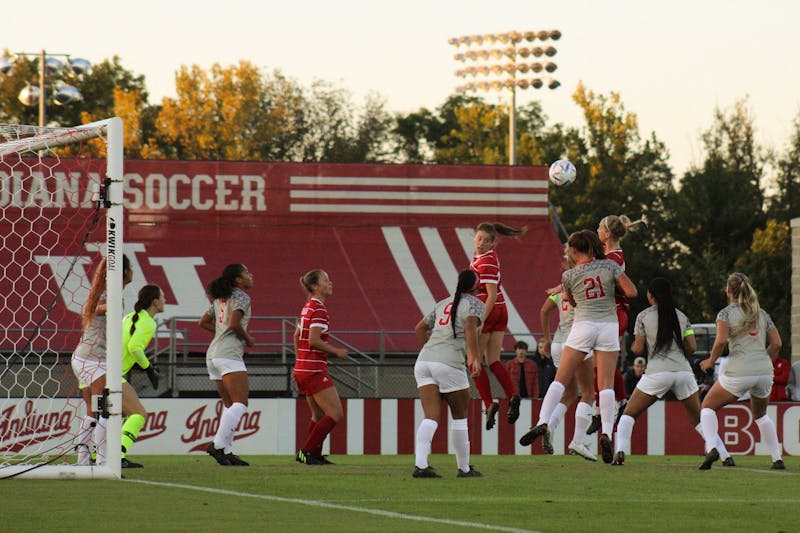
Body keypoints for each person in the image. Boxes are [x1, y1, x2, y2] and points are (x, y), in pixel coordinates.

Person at [519, 230, 637, 464]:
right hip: (607, 326)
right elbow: (632, 292)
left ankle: (543, 421)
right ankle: (605, 433)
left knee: (560, 380)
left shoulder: (569, 275)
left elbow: (571, 301)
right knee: (605, 385)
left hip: (582, 326)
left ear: (573, 251)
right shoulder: (610, 267)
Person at [612, 278, 733, 466]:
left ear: (651, 295)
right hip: (683, 372)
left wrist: (633, 343)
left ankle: (619, 451)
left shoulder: (643, 316)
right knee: (698, 419)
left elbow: (637, 349)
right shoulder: (681, 316)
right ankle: (724, 454)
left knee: (628, 414)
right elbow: (692, 347)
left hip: (657, 373)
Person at [699, 273, 785, 470]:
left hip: (739, 370)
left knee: (708, 407)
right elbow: (777, 344)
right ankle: (777, 458)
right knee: (761, 415)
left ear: (729, 291)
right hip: (764, 371)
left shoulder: (725, 314)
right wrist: (763, 361)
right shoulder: (761, 313)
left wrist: (710, 361)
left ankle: (712, 447)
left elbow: (720, 341)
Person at [412, 269, 484, 478]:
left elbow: (419, 328)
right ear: (474, 286)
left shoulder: (443, 302)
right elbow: (470, 326)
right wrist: (474, 357)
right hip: (450, 363)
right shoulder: (474, 303)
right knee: (460, 417)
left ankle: (421, 465)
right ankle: (464, 468)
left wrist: (430, 351)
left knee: (431, 417)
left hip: (424, 361)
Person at [71, 255, 134, 465]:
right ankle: (103, 461)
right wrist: (106, 307)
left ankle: (83, 460)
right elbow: (91, 310)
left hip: (91, 358)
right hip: (92, 359)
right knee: (108, 407)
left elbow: (90, 310)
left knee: (96, 409)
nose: (132, 270)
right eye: (131, 267)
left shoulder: (106, 293)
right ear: (124, 272)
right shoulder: (110, 294)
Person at [469, 221, 527, 430]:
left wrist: (481, 319)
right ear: (474, 237)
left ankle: (489, 404)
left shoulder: (486, 262)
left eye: (486, 240)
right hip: (501, 310)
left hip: (489, 309)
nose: (481, 243)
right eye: (479, 238)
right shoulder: (484, 257)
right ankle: (512, 396)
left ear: (493, 243)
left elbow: (491, 294)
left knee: (473, 360)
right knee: (492, 360)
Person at [198, 264, 255, 467]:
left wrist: (220, 331)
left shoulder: (220, 297)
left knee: (230, 405)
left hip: (213, 354)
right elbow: (233, 324)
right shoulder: (241, 297)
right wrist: (248, 339)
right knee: (240, 403)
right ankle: (217, 445)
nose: (251, 275)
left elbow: (203, 322)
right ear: (238, 280)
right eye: (247, 273)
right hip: (228, 354)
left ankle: (227, 451)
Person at [539, 269, 598, 461]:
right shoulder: (583, 291)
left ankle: (550, 426)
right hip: (577, 342)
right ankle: (578, 441)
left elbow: (544, 311)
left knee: (570, 393)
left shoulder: (559, 293)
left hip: (557, 343)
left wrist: (547, 339)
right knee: (589, 392)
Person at [293, 269, 348, 465]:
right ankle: (307, 452)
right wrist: (336, 351)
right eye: (326, 280)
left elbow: (297, 336)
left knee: (318, 414)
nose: (330, 282)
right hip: (314, 370)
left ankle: (314, 453)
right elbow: (313, 340)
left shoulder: (307, 307)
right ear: (315, 286)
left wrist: (299, 361)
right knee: (335, 414)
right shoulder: (319, 310)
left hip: (303, 369)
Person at [120, 284, 165, 468]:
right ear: (155, 302)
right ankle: (117, 456)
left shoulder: (129, 317)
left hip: (98, 369)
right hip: (112, 374)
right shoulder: (148, 322)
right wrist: (149, 369)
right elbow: (134, 347)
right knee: (139, 414)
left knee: (112, 416)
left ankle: (95, 454)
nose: (164, 301)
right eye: (162, 297)